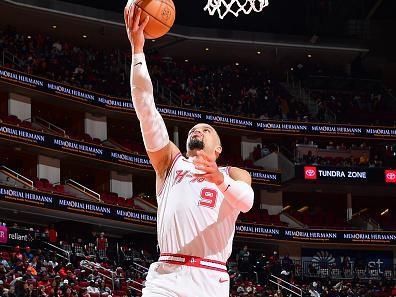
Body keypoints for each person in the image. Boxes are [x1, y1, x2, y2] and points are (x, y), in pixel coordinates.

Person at [124, 3, 254, 297]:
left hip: (209, 279)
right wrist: (137, 51)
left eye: (207, 130)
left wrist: (220, 180)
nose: (199, 129)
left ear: (218, 148)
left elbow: (246, 202)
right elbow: (146, 109)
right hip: (166, 276)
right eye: (195, 129)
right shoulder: (170, 164)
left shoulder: (231, 174)